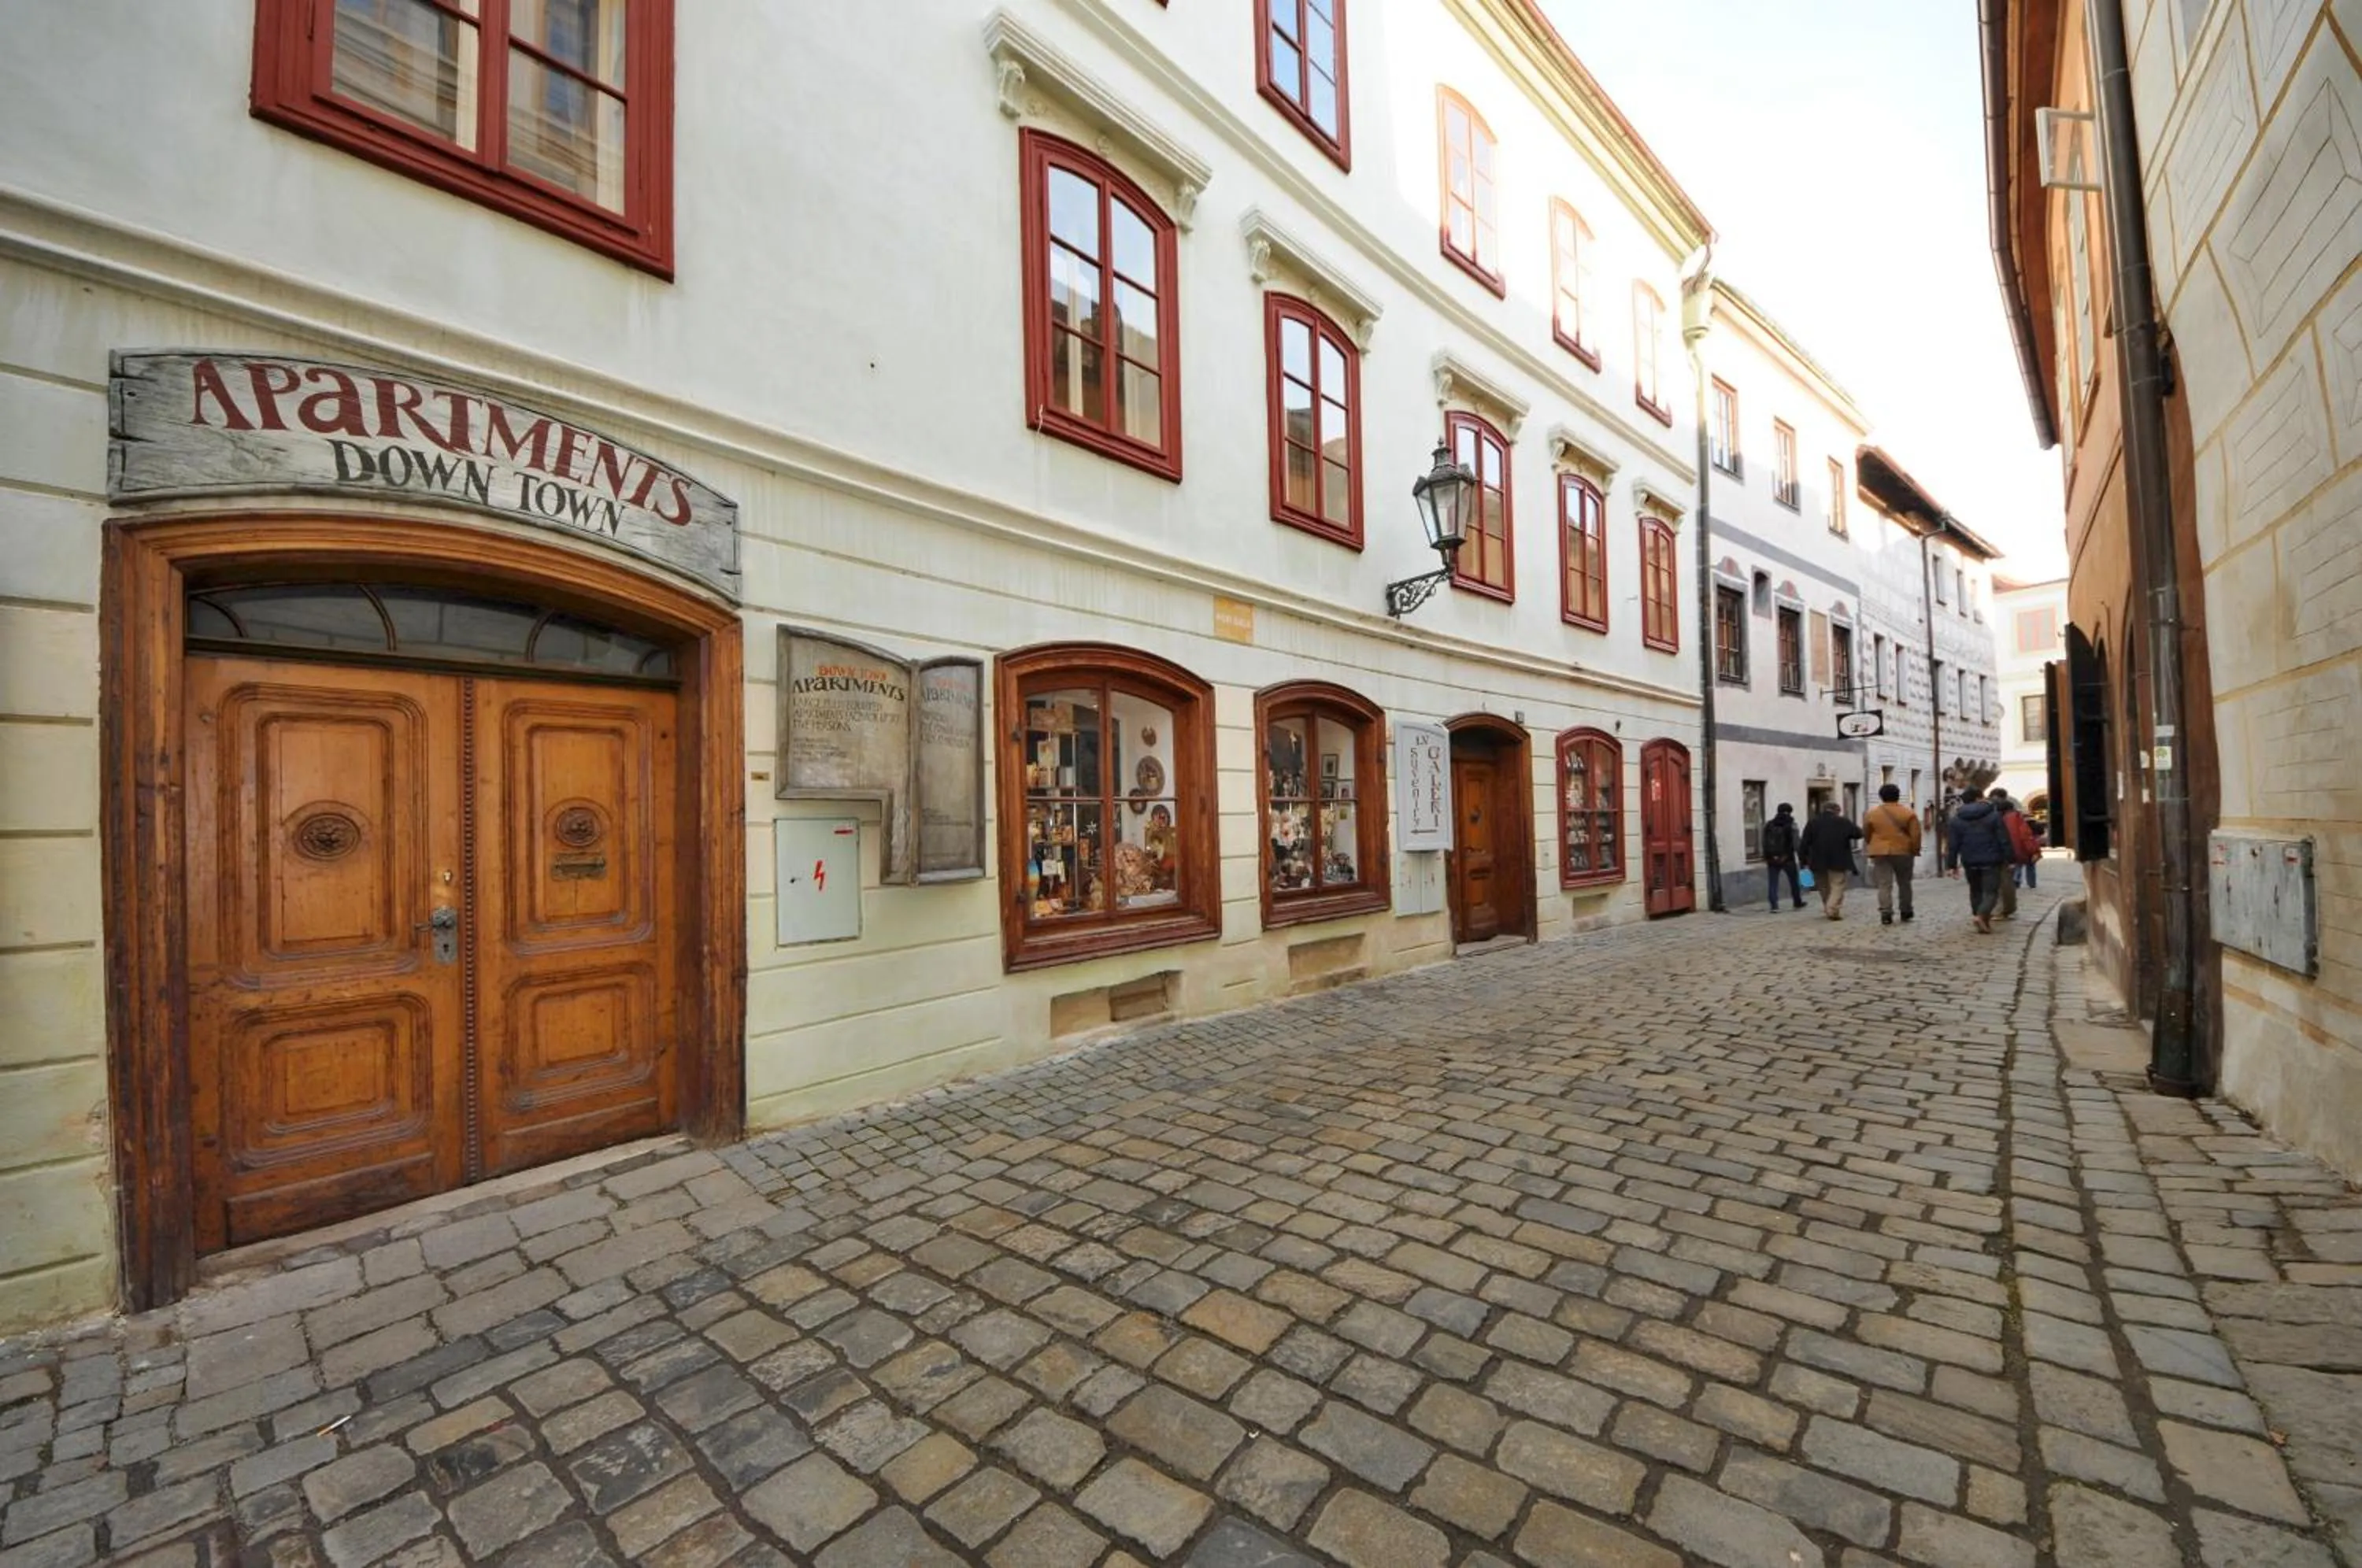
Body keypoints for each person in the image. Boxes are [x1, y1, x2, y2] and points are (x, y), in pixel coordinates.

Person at [1946, 786, 2014, 933]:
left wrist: (1951, 865)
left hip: (1969, 860)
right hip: (1991, 860)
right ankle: (1982, 915)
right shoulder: (1994, 816)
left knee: (1975, 891)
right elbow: (2004, 839)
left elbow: (1953, 845)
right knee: (1991, 892)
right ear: (1979, 798)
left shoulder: (1956, 819)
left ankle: (1982, 920)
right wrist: (2010, 859)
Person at [1863, 783, 1923, 926]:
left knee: (1884, 883)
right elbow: (1916, 835)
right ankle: (1906, 910)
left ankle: (1886, 912)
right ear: (1898, 796)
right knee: (1905, 882)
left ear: (1881, 797)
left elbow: (1866, 833)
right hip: (1903, 851)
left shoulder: (1872, 813)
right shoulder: (1908, 813)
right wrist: (1915, 849)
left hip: (1880, 852)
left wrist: (1873, 845)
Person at [1797, 800, 1864, 921]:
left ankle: (1829, 908)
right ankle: (1832, 908)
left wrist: (1803, 860)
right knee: (1837, 885)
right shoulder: (1843, 821)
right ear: (1837, 810)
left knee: (1823, 887)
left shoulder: (1813, 822)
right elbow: (1858, 834)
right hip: (1839, 859)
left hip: (1817, 860)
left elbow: (1804, 842)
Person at [1760, 803, 1805, 912]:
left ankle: (1774, 906)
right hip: (1787, 857)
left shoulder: (1769, 824)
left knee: (1773, 882)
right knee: (1793, 881)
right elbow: (1796, 843)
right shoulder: (1792, 825)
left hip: (1771, 858)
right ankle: (1797, 902)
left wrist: (1767, 855)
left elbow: (1764, 841)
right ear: (1790, 812)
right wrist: (1801, 856)